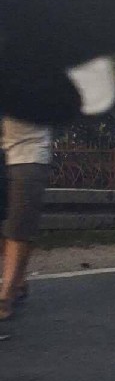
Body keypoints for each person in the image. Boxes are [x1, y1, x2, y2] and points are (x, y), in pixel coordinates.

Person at [0, 116, 53, 320]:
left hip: (30, 153)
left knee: (19, 225)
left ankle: (5, 297)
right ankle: (19, 280)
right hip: (4, 151)